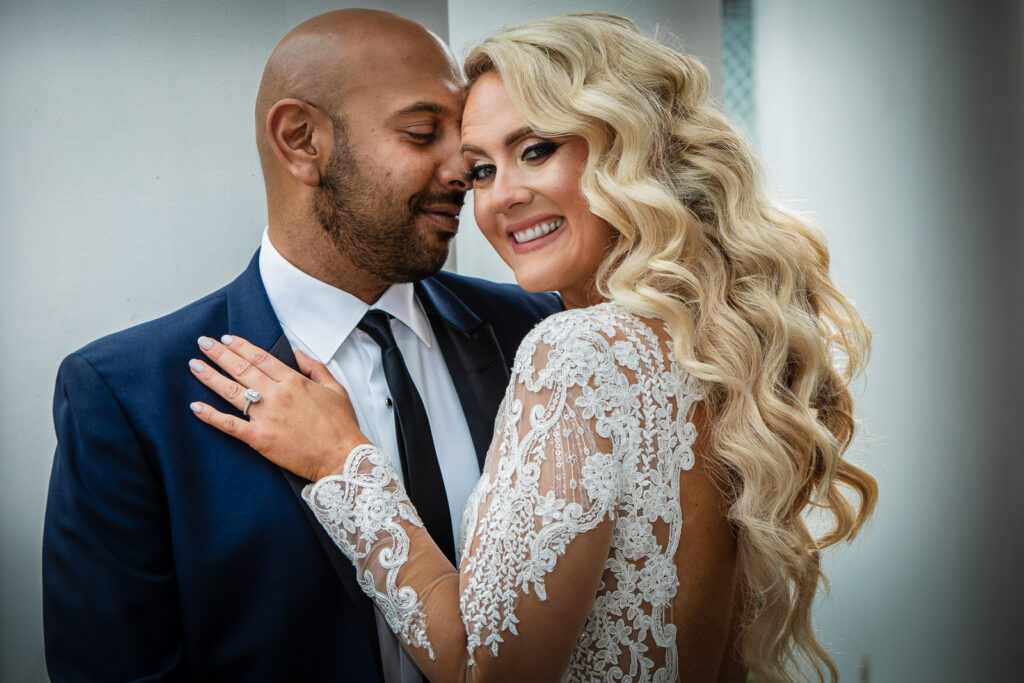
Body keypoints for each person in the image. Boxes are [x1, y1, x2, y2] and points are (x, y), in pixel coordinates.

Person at [188, 12, 878, 683]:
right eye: (481, 169)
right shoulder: (712, 347)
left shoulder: (576, 350)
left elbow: (479, 670)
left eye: (537, 149)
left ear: (633, 149)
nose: (497, 197)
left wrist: (344, 463)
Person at [42, 9, 560, 682]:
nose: (463, 167)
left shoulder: (540, 333)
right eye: (422, 132)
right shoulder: (128, 397)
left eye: (460, 138)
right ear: (300, 140)